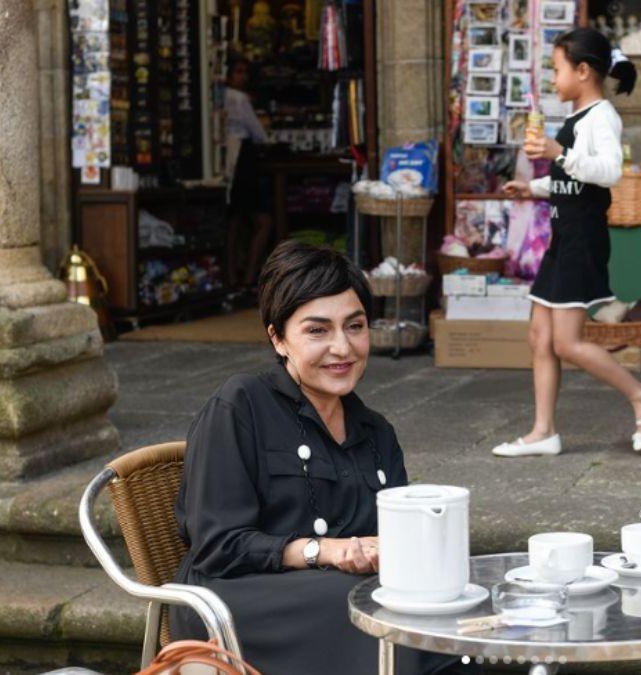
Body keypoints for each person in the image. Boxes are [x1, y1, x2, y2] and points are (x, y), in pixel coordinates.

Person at [170, 241, 471, 674]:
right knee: (381, 622)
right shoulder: (241, 404)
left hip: (339, 595)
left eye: (355, 326)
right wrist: (324, 550)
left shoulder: (376, 433)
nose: (342, 347)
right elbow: (218, 546)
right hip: (238, 603)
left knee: (450, 612)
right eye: (318, 330)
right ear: (278, 338)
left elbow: (395, 541)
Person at [495, 27, 641, 457]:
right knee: (539, 336)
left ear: (584, 71)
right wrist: (533, 188)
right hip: (562, 240)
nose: (554, 80)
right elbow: (571, 181)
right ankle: (543, 432)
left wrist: (557, 152)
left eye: (557, 70)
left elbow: (608, 172)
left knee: (566, 342)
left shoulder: (601, 116)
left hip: (582, 243)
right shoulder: (576, 119)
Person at [224, 54, 275, 291]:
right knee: (262, 220)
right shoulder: (239, 98)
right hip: (244, 160)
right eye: (238, 72)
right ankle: (249, 277)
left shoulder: (220, 96)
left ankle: (232, 276)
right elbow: (258, 133)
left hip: (227, 160)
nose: (243, 77)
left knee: (234, 221)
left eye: (245, 72)